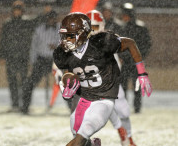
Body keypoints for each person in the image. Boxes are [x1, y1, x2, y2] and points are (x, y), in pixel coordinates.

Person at [53, 12, 152, 146]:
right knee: (78, 133)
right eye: (64, 36)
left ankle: (127, 138)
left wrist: (142, 73)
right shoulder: (63, 53)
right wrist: (67, 86)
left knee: (118, 114)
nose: (66, 40)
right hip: (85, 96)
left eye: (70, 36)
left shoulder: (102, 42)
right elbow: (70, 73)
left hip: (106, 92)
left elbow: (129, 43)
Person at [86, 9, 137, 146]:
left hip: (111, 83)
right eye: (89, 27)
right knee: (87, 117)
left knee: (123, 112)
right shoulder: (80, 43)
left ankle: (128, 139)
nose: (92, 30)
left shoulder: (109, 40)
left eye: (95, 27)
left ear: (101, 26)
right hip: (90, 85)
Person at [0, 0, 34, 112]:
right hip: (11, 56)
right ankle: (15, 104)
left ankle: (24, 104)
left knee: (24, 81)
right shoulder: (8, 24)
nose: (17, 12)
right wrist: (2, 55)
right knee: (12, 81)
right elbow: (3, 40)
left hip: (23, 56)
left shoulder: (27, 22)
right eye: (15, 10)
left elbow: (31, 40)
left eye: (19, 10)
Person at [21, 10, 60, 114]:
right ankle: (25, 107)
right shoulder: (39, 30)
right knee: (29, 84)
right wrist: (34, 62)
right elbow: (34, 47)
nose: (52, 20)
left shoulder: (62, 29)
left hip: (56, 60)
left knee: (67, 83)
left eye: (53, 18)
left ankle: (73, 109)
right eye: (50, 18)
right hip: (41, 60)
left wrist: (57, 48)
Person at [118, 2, 152, 113]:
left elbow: (146, 44)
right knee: (124, 86)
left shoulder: (139, 27)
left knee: (136, 86)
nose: (124, 16)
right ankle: (125, 107)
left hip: (136, 62)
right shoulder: (122, 27)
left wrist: (138, 56)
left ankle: (136, 108)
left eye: (125, 14)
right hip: (127, 62)